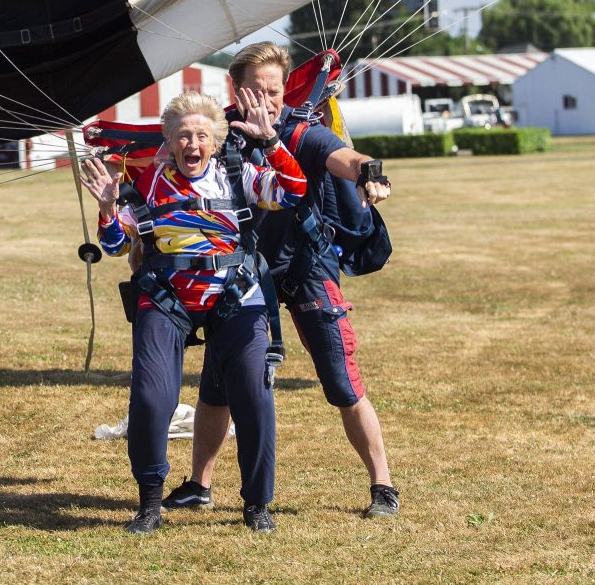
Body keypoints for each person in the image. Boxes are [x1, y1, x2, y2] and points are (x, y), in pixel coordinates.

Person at [162, 42, 400, 518]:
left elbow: (345, 158)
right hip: (242, 276)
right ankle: (199, 485)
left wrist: (370, 174)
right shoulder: (216, 131)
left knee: (340, 378)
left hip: (306, 269)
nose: (265, 100)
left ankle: (383, 487)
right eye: (255, 90)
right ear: (236, 88)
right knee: (217, 382)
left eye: (273, 91)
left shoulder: (300, 132)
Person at [80, 90, 306, 534]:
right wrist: (108, 208)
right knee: (151, 396)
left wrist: (273, 142)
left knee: (253, 395)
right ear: (168, 142)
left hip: (235, 297)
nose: (192, 144)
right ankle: (149, 503)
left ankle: (257, 503)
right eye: (183, 136)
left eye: (202, 135)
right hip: (167, 298)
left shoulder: (239, 175)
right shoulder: (147, 184)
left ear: (215, 141)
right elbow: (112, 245)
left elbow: (294, 193)